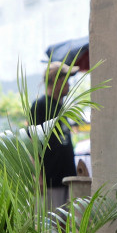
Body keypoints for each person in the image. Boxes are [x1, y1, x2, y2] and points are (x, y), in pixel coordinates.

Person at [30, 62, 78, 208]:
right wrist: (38, 177)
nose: (69, 84)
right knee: (52, 227)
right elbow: (33, 142)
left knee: (67, 227)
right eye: (66, 79)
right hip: (50, 180)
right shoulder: (41, 105)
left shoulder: (61, 107)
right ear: (56, 80)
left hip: (67, 178)